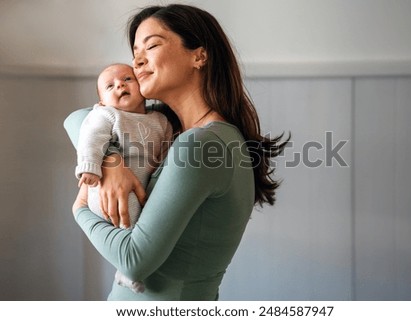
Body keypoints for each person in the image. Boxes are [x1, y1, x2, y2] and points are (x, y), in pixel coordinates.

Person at [64, 4, 289, 300]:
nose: (137, 60)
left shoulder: (200, 144)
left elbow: (134, 261)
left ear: (199, 55)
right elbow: (79, 119)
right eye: (135, 52)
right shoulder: (171, 126)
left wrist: (80, 209)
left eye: (152, 45)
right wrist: (111, 162)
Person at [74, 63, 172, 293]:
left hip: (140, 185)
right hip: (105, 189)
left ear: (142, 88)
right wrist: (89, 166)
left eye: (127, 79)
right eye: (110, 86)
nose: (120, 85)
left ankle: (126, 267)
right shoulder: (107, 114)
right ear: (101, 102)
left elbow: (166, 149)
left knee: (140, 222)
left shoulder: (160, 120)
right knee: (126, 217)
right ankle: (127, 268)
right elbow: (91, 137)